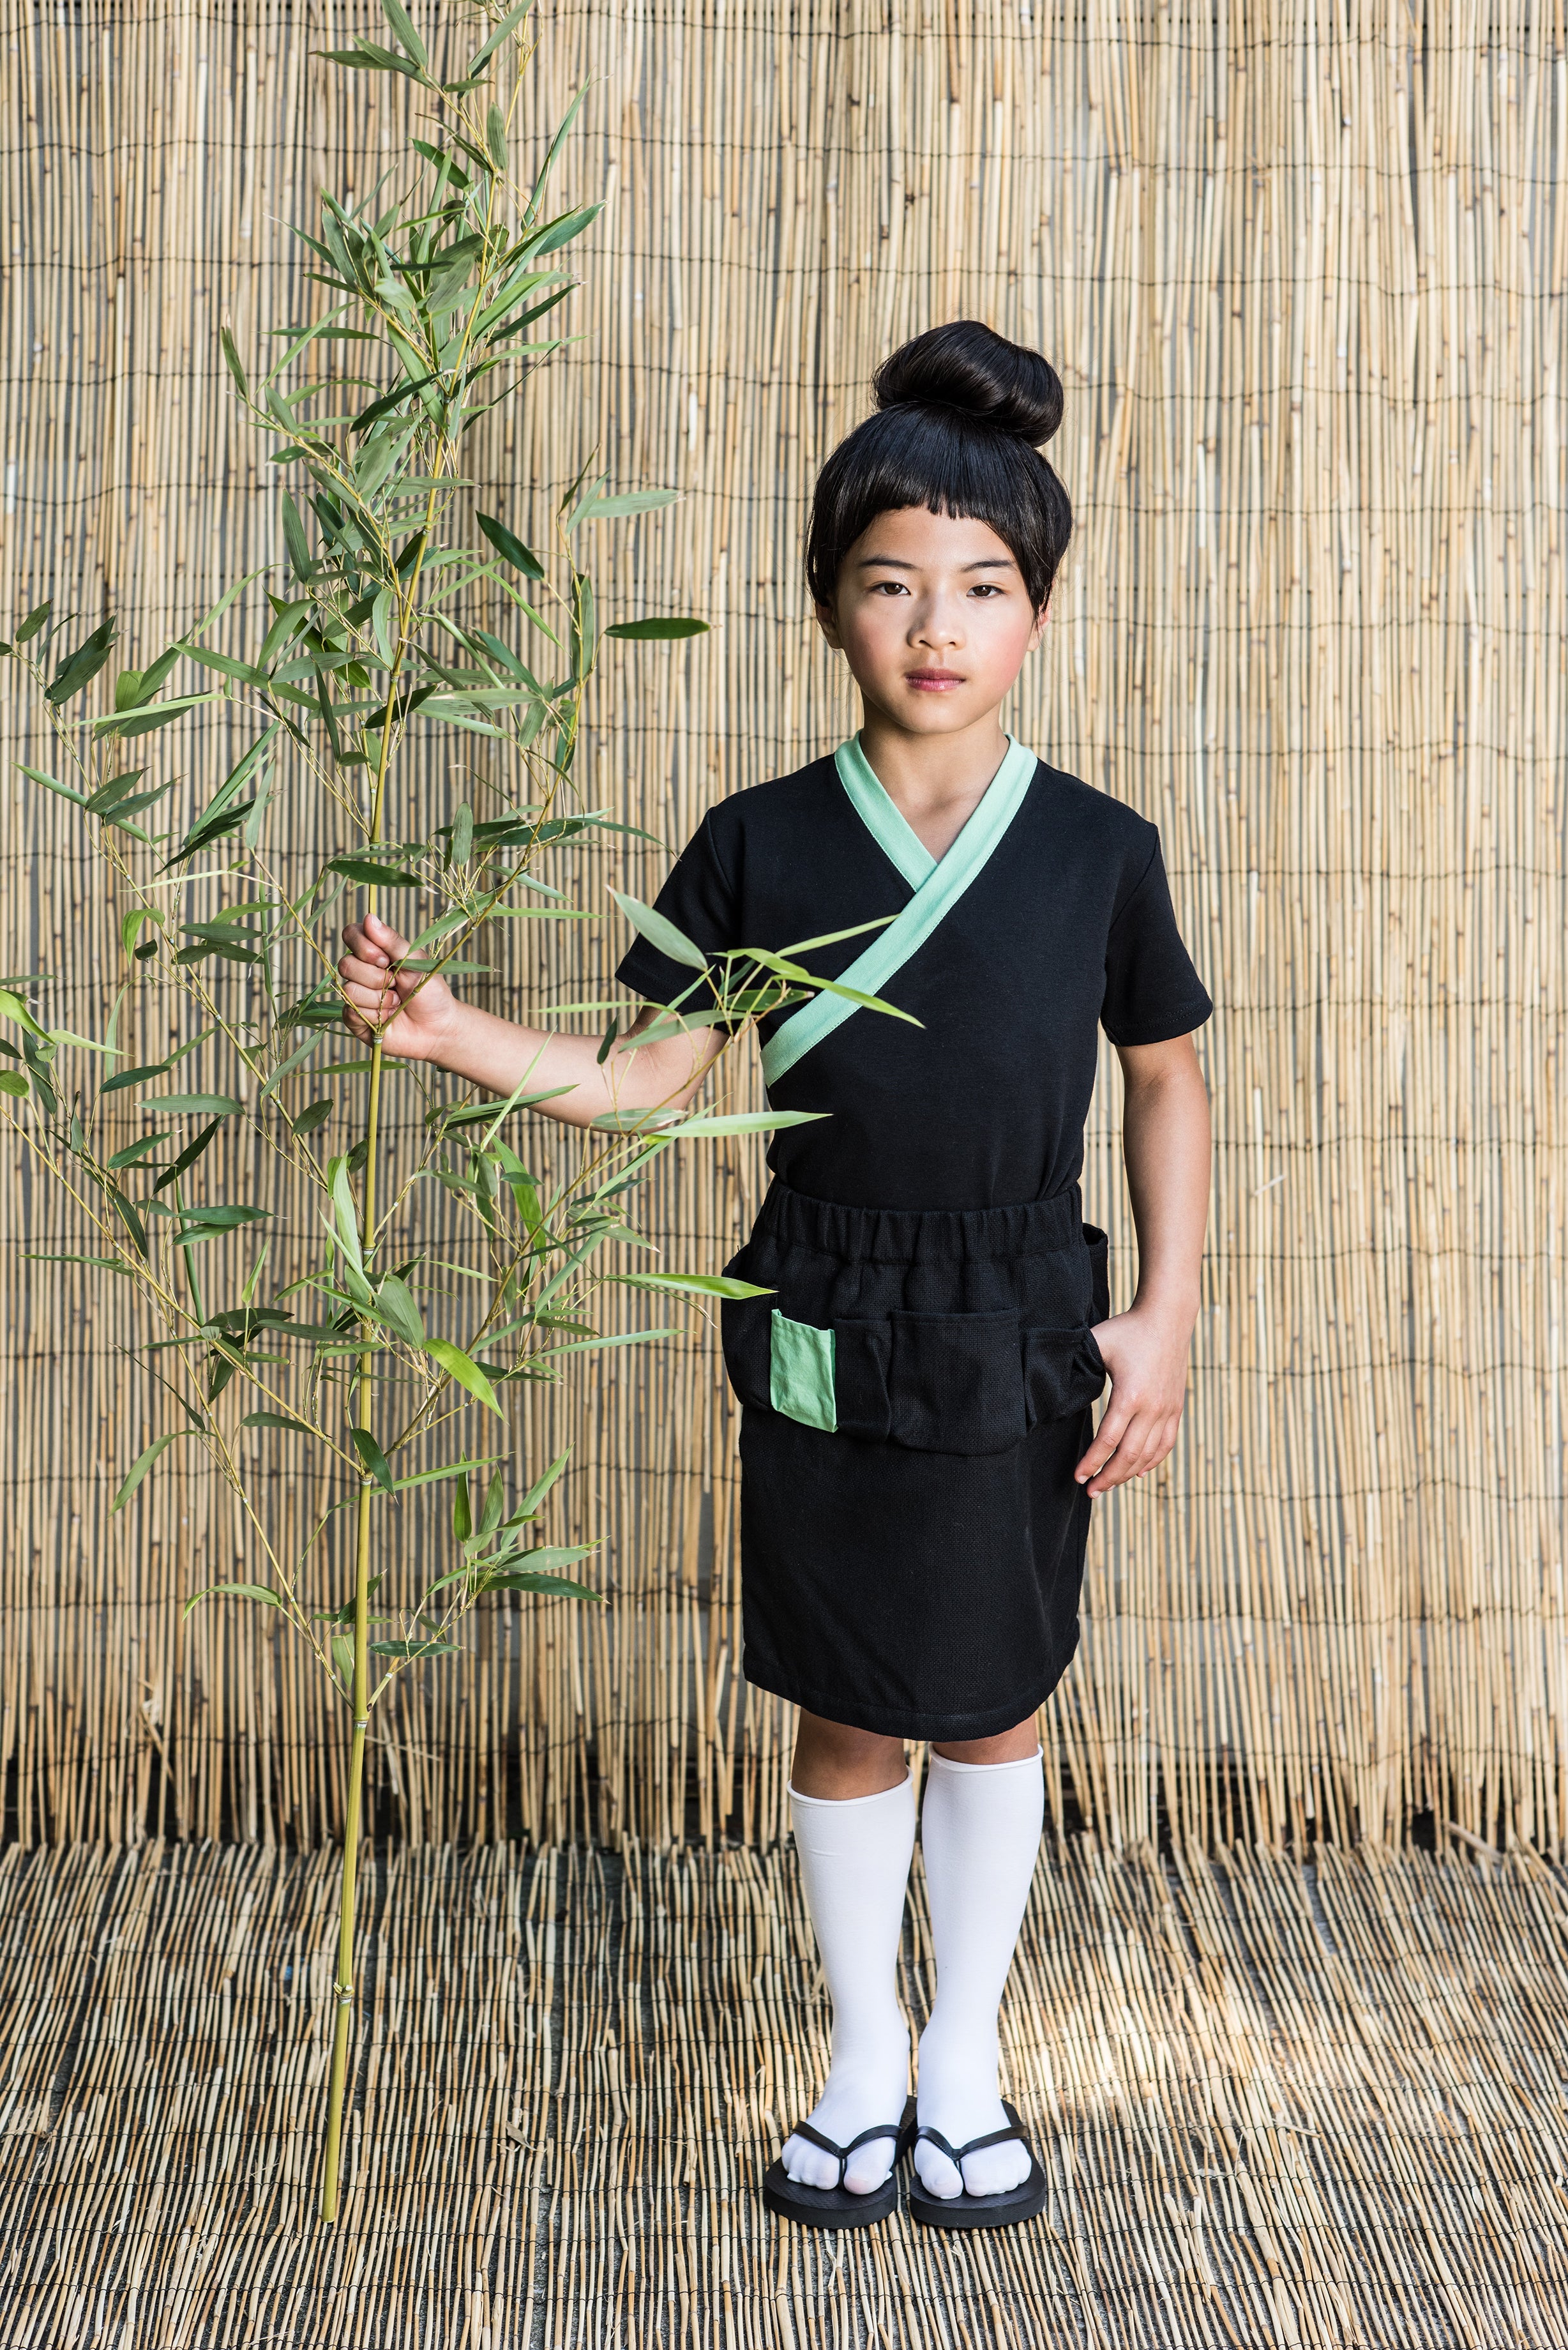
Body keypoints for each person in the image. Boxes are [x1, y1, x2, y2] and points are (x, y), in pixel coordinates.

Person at [338, 319, 1212, 2232]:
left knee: (991, 1699)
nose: (936, 623)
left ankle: (967, 2053)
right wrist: (451, 1034)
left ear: (1040, 612)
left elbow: (1166, 1078)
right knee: (841, 1702)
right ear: (830, 607)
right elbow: (656, 1082)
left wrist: (1161, 1313)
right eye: (892, 582)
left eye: (981, 586)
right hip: (817, 1316)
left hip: (1021, 1325)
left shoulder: (1098, 853)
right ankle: (860, 2052)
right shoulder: (757, 843)